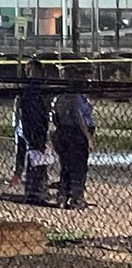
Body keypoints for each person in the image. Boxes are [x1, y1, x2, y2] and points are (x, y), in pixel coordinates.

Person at [51, 69, 95, 210]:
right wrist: (87, 137)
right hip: (76, 134)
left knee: (66, 166)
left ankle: (63, 195)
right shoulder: (77, 98)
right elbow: (78, 117)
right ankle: (76, 198)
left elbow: (55, 117)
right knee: (79, 167)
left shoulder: (60, 97)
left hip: (63, 131)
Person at [20, 59, 52, 206]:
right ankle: (35, 191)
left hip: (38, 126)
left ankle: (36, 190)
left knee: (38, 157)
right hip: (33, 126)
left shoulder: (37, 88)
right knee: (35, 157)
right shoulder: (31, 89)